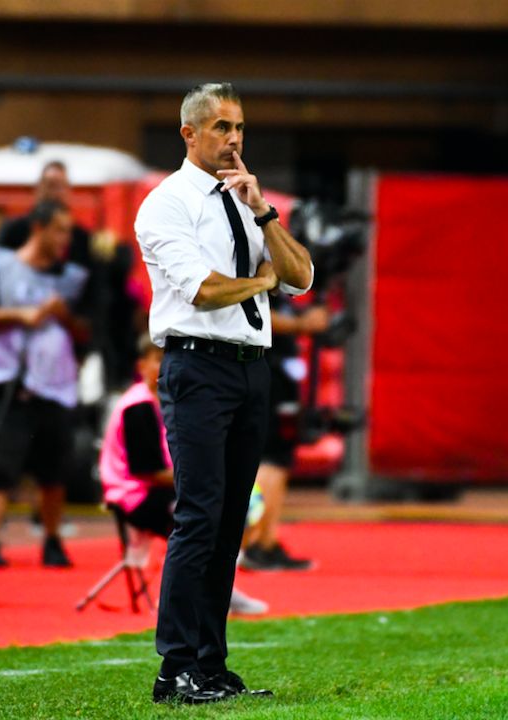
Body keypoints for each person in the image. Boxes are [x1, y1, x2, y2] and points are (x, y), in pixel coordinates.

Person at [135, 82, 313, 705]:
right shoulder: (167, 203)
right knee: (200, 515)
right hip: (197, 367)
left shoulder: (244, 201)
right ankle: (175, 668)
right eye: (221, 127)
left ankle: (210, 664)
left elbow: (301, 277)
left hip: (249, 368)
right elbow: (204, 291)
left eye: (238, 127)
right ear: (189, 133)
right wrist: (260, 282)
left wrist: (264, 211)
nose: (234, 139)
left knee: (231, 520)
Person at [98, 336, 267, 615]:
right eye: (157, 359)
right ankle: (190, 597)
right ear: (142, 365)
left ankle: (216, 588)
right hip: (136, 496)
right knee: (203, 515)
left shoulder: (166, 399)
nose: (164, 364)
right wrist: (207, 475)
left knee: (234, 506)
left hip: (162, 487)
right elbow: (148, 471)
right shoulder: (137, 407)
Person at [0, 198, 90, 568]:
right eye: (59, 230)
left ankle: (52, 539)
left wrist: (64, 316)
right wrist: (21, 315)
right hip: (11, 380)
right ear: (38, 228)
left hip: (56, 383)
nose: (65, 239)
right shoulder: (0, 267)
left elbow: (88, 331)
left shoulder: (74, 278)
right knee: (1, 463)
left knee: (55, 467)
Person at [240, 299, 329, 571]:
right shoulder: (256, 278)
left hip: (277, 373)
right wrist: (301, 324)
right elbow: (252, 310)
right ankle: (252, 542)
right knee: (270, 458)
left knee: (279, 458)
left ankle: (266, 541)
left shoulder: (279, 289)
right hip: (264, 371)